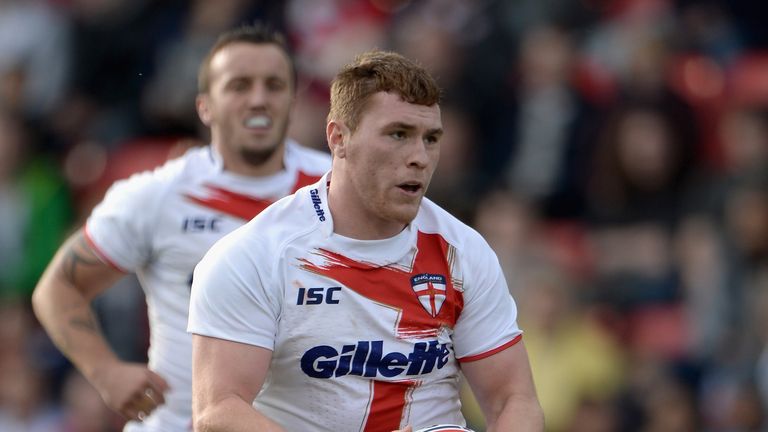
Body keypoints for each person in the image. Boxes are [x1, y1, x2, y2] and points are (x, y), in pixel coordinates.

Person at [188, 50, 544, 432]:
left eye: (431, 138)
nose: (419, 157)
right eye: (398, 134)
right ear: (339, 138)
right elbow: (219, 411)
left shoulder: (463, 252)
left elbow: (514, 399)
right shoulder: (256, 255)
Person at [31, 23, 331, 431]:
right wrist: (105, 372)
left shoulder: (335, 189)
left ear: (293, 99)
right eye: (239, 85)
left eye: (274, 85)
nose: (259, 99)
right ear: (204, 106)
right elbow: (57, 288)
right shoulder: (158, 194)